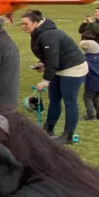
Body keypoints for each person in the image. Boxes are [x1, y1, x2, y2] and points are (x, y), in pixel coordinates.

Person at [19, 9, 86, 145]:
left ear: (36, 23)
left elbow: (52, 59)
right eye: (22, 24)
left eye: (26, 24)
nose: (23, 27)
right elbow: (48, 57)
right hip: (59, 67)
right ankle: (48, 129)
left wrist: (45, 81)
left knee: (69, 101)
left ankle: (68, 135)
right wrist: (42, 63)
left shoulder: (49, 35)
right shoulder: (38, 33)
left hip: (73, 68)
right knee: (54, 99)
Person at [79, 39, 99, 121]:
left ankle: (91, 114)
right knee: (96, 97)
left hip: (92, 83)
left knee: (87, 97)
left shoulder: (85, 59)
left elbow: (82, 71)